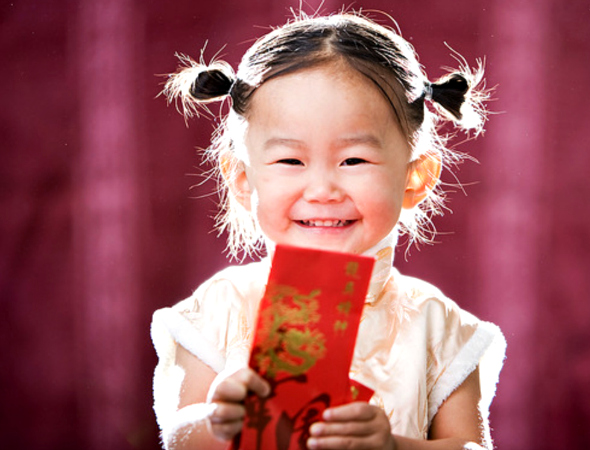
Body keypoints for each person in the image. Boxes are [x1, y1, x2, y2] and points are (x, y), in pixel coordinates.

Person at [151, 11, 506, 450]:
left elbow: (472, 446)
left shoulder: (437, 325)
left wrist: (395, 447)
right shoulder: (222, 309)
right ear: (243, 180)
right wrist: (218, 420)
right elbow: (177, 437)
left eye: (354, 160)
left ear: (415, 178)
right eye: (290, 161)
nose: (322, 190)